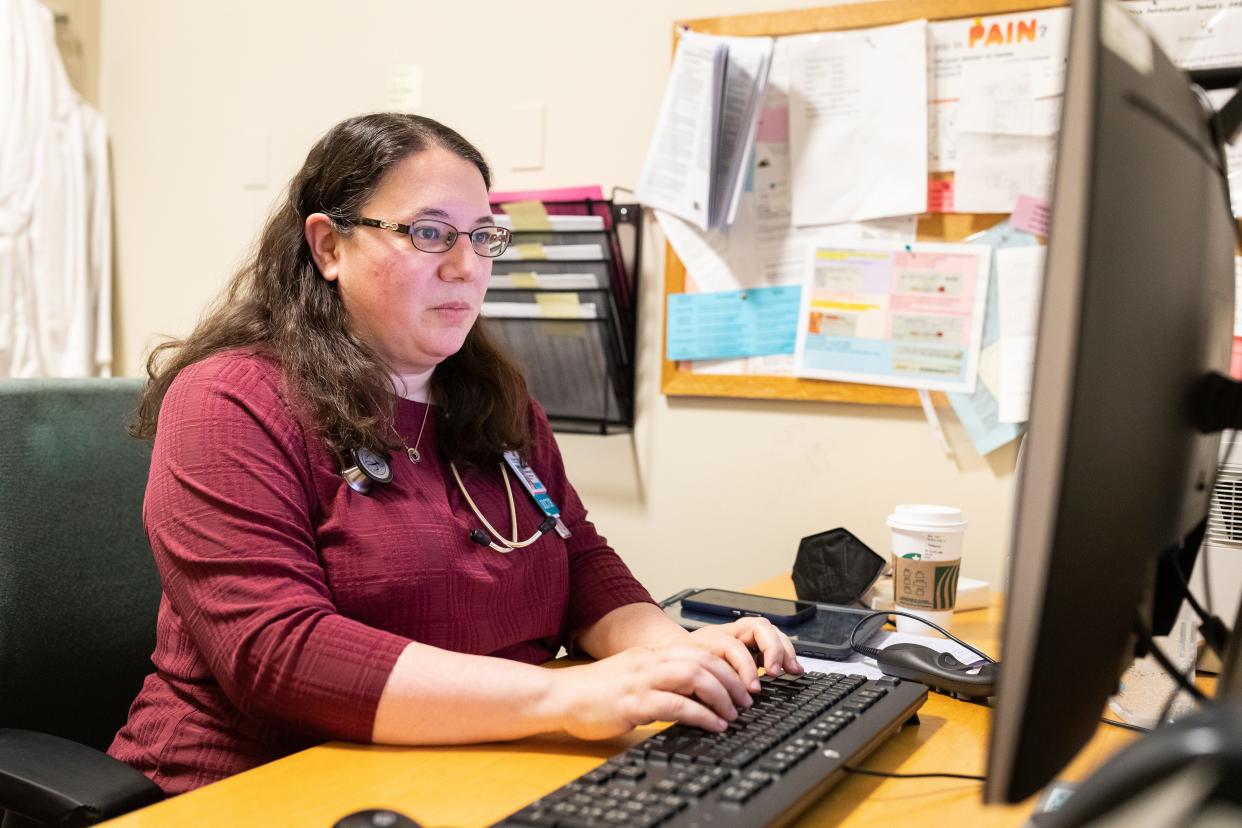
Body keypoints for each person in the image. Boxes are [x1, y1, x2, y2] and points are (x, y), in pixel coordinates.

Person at [108, 112, 803, 795]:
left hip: (467, 771)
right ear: (328, 247)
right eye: (430, 232)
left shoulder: (495, 399)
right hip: (251, 787)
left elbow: (580, 560)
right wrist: (569, 698)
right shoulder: (231, 400)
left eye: (482, 236)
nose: (466, 265)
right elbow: (279, 652)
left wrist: (672, 650)